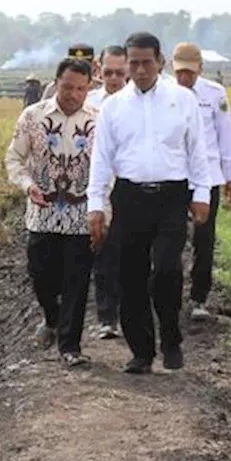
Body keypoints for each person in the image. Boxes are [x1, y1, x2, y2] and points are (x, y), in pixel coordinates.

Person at [88, 32, 212, 374]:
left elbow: (197, 151)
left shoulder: (182, 100)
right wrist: (95, 205)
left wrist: (201, 194)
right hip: (129, 198)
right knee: (129, 278)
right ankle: (141, 351)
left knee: (167, 271)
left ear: (160, 62)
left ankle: (170, 337)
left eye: (146, 62)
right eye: (134, 63)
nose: (140, 70)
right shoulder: (113, 107)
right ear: (126, 65)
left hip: (172, 197)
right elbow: (101, 159)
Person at [4, 57, 99, 367]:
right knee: (41, 274)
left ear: (89, 88)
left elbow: (108, 168)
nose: (73, 94)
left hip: (81, 216)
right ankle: (52, 317)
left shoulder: (100, 121)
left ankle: (70, 345)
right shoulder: (32, 117)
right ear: (56, 83)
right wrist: (28, 184)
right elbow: (14, 159)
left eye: (80, 88)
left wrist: (103, 208)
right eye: (67, 87)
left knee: (77, 280)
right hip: (42, 214)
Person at [171, 43, 231, 320]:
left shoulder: (215, 94)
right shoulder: (164, 93)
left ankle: (199, 298)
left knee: (204, 239)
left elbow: (226, 134)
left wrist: (230, 175)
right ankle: (168, 296)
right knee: (170, 238)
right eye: (179, 72)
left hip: (207, 176)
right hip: (174, 176)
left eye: (190, 72)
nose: (184, 78)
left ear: (200, 68)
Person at [85, 45, 129, 339]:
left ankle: (131, 312)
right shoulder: (87, 102)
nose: (113, 78)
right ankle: (106, 317)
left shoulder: (138, 102)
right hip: (98, 185)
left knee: (130, 255)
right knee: (102, 251)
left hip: (129, 187)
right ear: (99, 70)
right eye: (108, 72)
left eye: (119, 73)